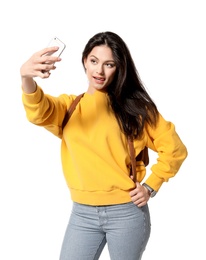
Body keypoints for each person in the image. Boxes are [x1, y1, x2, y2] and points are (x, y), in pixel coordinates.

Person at [20, 31, 188, 260]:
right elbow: (39, 111)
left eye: (109, 64)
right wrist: (26, 78)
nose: (99, 71)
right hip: (82, 213)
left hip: (126, 213)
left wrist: (151, 186)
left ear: (119, 67)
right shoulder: (71, 107)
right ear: (84, 62)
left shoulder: (137, 110)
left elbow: (175, 149)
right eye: (94, 61)